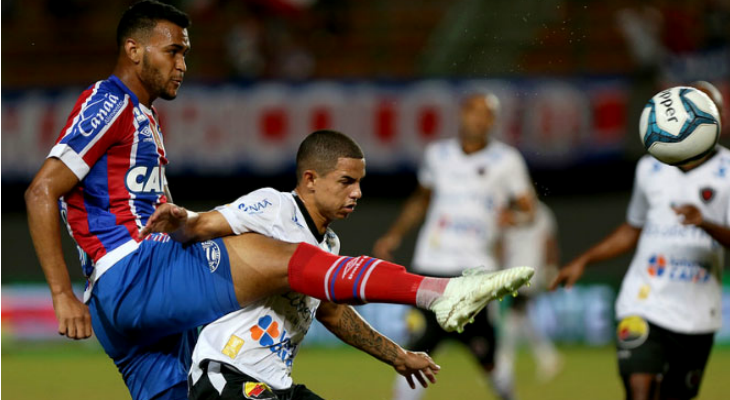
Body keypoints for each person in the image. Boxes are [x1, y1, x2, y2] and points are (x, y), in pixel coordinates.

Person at [24, 3, 533, 400]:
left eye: (185, 52)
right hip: (132, 274)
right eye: (173, 51)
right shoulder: (110, 101)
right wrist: (59, 293)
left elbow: (331, 311)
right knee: (285, 259)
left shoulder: (145, 118)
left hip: (130, 306)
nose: (183, 63)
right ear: (134, 50)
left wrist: (397, 355)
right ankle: (437, 292)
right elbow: (42, 189)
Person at [149, 130, 436, 399]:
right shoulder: (274, 208)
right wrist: (182, 218)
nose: (357, 193)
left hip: (276, 383)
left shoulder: (329, 245)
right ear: (310, 179)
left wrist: (398, 356)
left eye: (360, 183)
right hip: (228, 371)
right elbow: (202, 224)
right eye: (346, 181)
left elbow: (332, 313)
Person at [550, 82, 729, 400]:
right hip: (644, 300)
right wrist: (584, 260)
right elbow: (633, 229)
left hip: (697, 312)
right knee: (639, 391)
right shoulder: (650, 167)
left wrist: (706, 224)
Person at [373, 93, 536, 400]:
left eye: (484, 114)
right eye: (472, 111)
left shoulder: (507, 161)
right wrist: (394, 234)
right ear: (462, 115)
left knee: (487, 357)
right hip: (430, 265)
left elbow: (530, 210)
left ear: (493, 121)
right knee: (413, 351)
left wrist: (514, 216)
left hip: (475, 272)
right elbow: (421, 199)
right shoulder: (438, 154)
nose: (477, 118)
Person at [493, 200, 563, 390]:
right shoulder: (506, 212)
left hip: (530, 270)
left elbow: (548, 241)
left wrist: (550, 266)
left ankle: (504, 364)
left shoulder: (541, 211)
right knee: (521, 316)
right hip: (510, 270)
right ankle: (548, 357)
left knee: (512, 317)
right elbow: (501, 243)